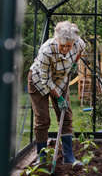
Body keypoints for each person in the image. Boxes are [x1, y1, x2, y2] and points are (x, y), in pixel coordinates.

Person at [28, 21, 85, 165]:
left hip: (60, 80)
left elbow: (80, 51)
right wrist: (59, 98)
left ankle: (69, 157)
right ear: (57, 40)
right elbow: (45, 79)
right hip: (39, 81)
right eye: (63, 45)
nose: (66, 49)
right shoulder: (47, 50)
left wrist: (73, 64)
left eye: (69, 46)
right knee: (43, 119)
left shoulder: (78, 43)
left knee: (65, 116)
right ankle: (42, 158)